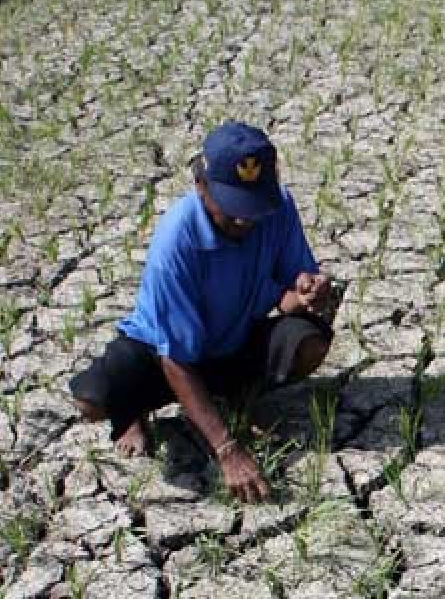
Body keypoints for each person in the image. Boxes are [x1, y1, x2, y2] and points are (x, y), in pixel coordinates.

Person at [70, 121, 338, 503]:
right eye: (233, 208)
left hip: (234, 337)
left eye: (253, 206)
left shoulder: (277, 208)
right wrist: (227, 449)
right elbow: (175, 358)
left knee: (308, 341)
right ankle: (139, 412)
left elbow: (290, 287)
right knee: (91, 401)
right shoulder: (175, 242)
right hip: (163, 355)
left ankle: (231, 397)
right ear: (200, 185)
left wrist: (307, 289)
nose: (245, 219)